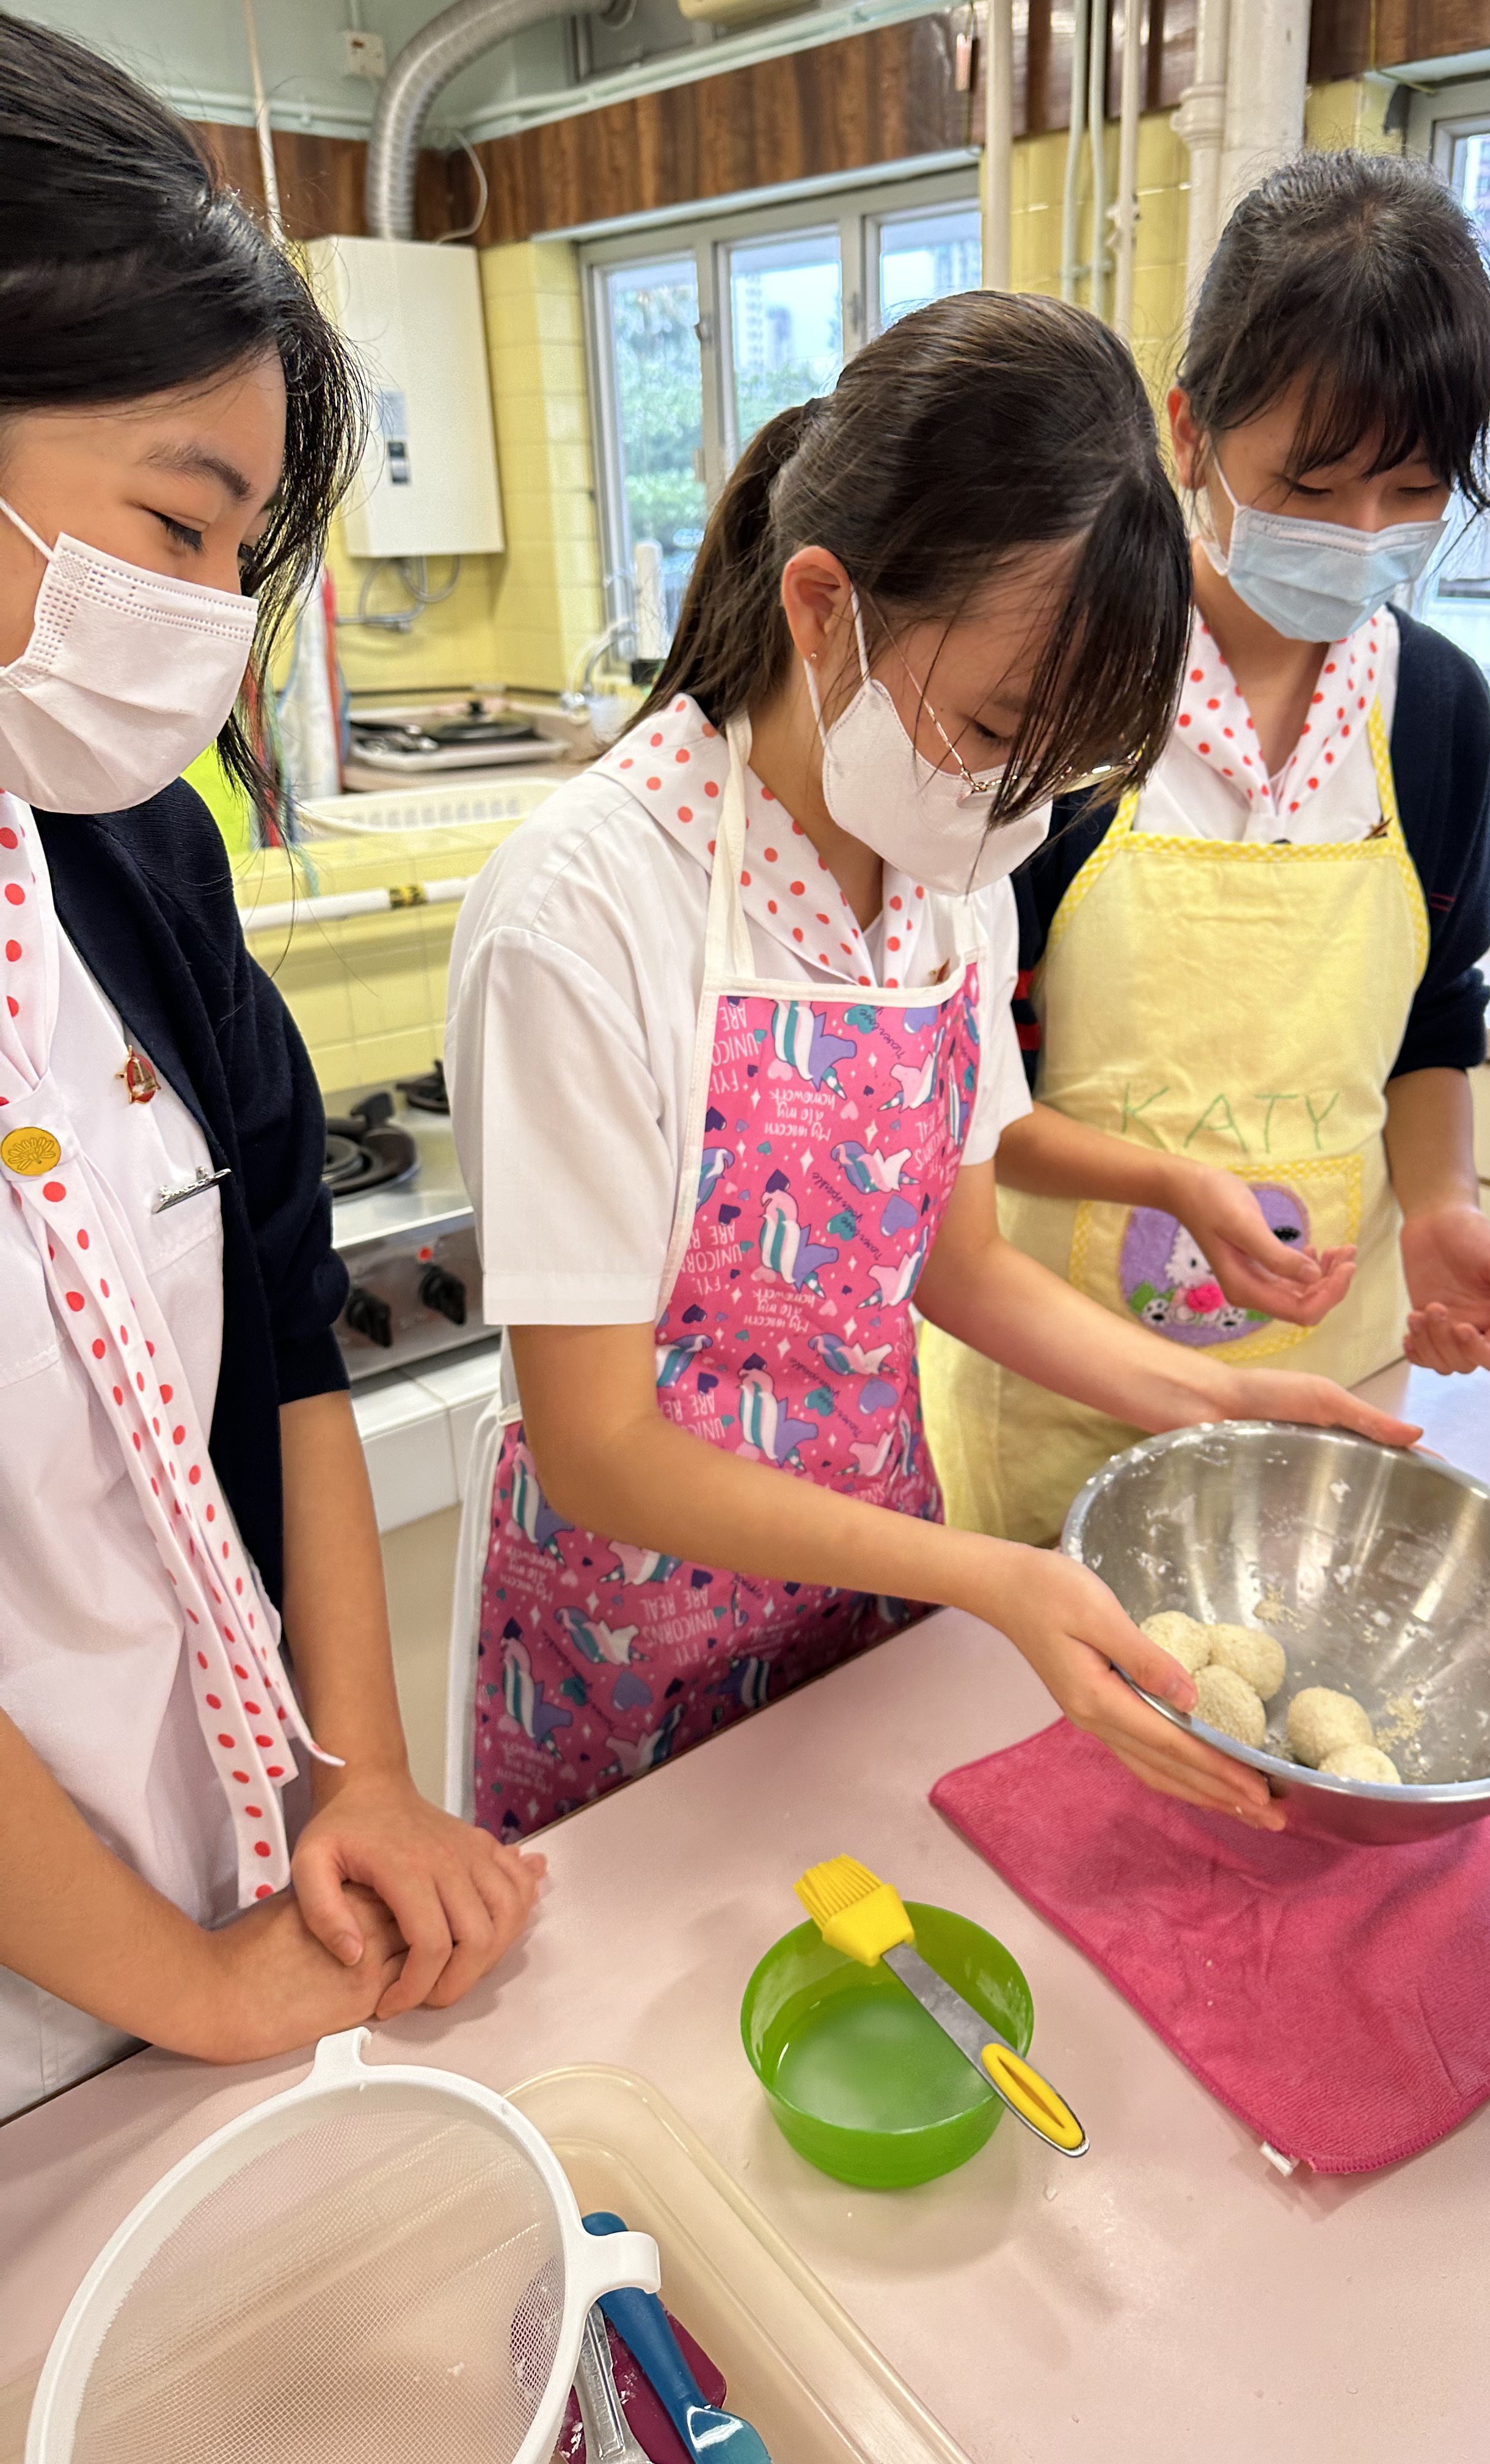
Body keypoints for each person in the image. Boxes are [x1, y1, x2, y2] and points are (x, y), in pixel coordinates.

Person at [447, 291, 1419, 1848]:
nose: (1012, 811)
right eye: (991, 728)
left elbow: (959, 1265)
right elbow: (599, 1445)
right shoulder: (586, 911)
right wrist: (990, 1573)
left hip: (869, 1612)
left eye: (1063, 769)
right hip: (629, 1650)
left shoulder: (947, 866)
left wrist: (1226, 1408)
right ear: (823, 605)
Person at [0, 18, 539, 2120]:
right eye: (182, 520)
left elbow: (287, 1333)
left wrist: (364, 1776)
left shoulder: (132, 846)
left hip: (213, 1921)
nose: (222, 616)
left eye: (246, 549)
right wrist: (189, 1985)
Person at [922, 151, 1490, 1547]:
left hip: (1328, 1385)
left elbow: (1434, 1020)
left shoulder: (1435, 716)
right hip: (1059, 1399)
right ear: (1190, 436)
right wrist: (1168, 1185)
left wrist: (1441, 1204)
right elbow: (962, 1099)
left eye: (1415, 490)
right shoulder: (1057, 698)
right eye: (1313, 488)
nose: (1364, 538)